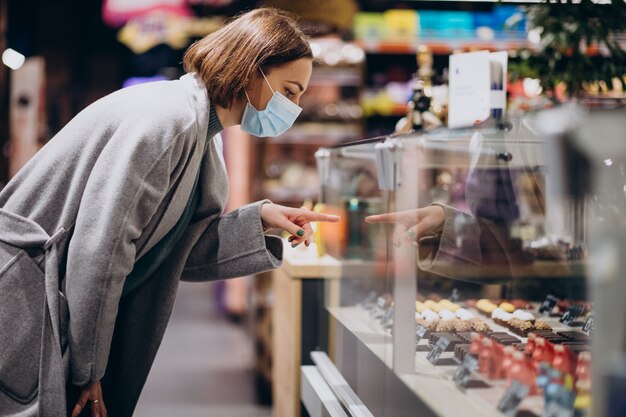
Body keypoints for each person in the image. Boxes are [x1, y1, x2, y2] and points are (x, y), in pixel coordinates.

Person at [0, 8, 339, 417]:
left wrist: (261, 219)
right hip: (27, 302)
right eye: (289, 91)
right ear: (251, 70)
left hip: (50, 304)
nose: (295, 108)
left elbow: (174, 249)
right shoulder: (169, 122)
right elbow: (102, 250)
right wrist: (87, 370)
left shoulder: (199, 130)